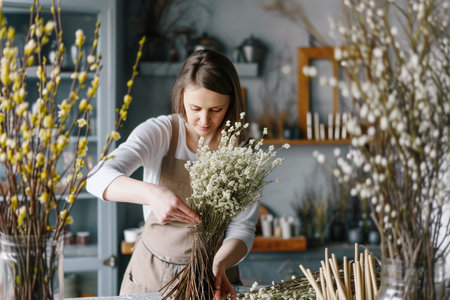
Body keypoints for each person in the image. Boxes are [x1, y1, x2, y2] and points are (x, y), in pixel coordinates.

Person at [86, 49, 259, 299]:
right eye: (195, 107)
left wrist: (220, 263)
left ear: (232, 103)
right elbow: (96, 177)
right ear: (181, 96)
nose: (204, 120)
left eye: (216, 109)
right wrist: (152, 194)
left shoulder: (243, 154)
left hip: (213, 279)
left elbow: (242, 230)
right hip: (152, 274)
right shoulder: (162, 132)